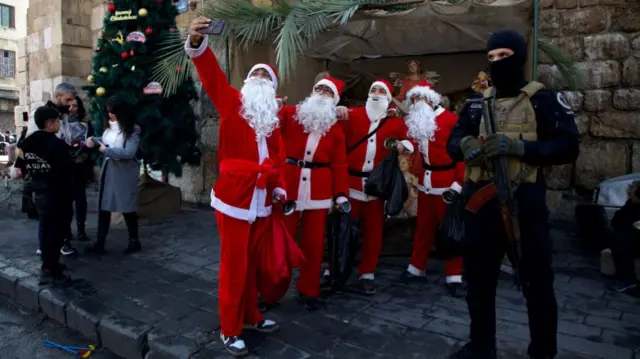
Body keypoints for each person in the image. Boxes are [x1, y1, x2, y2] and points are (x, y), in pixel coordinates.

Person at [446, 29, 580, 359]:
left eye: (503, 56)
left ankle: (543, 350)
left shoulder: (543, 100)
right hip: (480, 204)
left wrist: (519, 147)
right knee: (478, 280)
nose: (496, 63)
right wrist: (466, 147)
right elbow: (452, 141)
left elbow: (567, 147)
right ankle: (481, 346)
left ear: (518, 57)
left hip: (525, 203)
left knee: (537, 281)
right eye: (491, 58)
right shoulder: (477, 103)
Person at [185, 16, 286, 356]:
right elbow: (211, 75)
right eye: (255, 74)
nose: (259, 78)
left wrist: (278, 187)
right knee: (234, 266)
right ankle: (229, 328)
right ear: (246, 82)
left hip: (261, 199)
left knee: (252, 264)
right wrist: (199, 44)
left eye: (265, 76)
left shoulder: (271, 121)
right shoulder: (231, 103)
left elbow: (278, 157)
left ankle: (251, 315)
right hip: (234, 198)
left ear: (272, 88)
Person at [336, 79, 414, 295]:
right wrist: (337, 109)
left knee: (374, 231)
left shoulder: (395, 123)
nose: (376, 93)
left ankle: (367, 272)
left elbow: (410, 141)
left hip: (376, 187)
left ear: (389, 97)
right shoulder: (352, 115)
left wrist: (403, 145)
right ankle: (337, 267)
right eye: (373, 90)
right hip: (350, 183)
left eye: (381, 91)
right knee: (344, 231)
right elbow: (331, 127)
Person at [279, 76, 350, 310]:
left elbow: (339, 164)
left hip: (319, 189)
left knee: (314, 244)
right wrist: (275, 103)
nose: (321, 92)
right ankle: (273, 288)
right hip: (290, 185)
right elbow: (269, 116)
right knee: (282, 240)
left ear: (334, 99)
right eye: (317, 88)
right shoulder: (292, 114)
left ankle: (309, 289)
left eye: (327, 91)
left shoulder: (336, 128)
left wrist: (340, 194)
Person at [400, 81, 465, 297]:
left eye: (420, 98)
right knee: (423, 228)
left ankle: (454, 274)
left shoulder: (451, 120)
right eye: (413, 99)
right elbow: (412, 141)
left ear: (431, 98)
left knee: (450, 231)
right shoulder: (419, 120)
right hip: (425, 183)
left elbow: (462, 154)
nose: (417, 103)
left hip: (446, 184)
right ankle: (417, 267)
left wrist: (459, 183)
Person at [15, 106, 73, 284]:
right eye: (57, 121)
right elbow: (67, 168)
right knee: (57, 232)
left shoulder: (26, 143)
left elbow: (21, 167)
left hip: (38, 192)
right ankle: (49, 268)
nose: (59, 124)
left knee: (47, 228)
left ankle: (50, 264)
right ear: (49, 124)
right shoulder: (56, 144)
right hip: (57, 193)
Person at [28, 83, 79, 257]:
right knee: (49, 214)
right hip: (48, 174)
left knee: (61, 211)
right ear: (58, 96)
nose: (71, 103)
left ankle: (61, 243)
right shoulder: (41, 114)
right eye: (68, 99)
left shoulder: (63, 116)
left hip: (58, 173)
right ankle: (47, 249)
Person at [85, 95, 141, 255]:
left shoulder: (133, 129)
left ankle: (134, 241)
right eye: (108, 112)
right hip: (109, 170)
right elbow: (105, 139)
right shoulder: (109, 127)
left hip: (124, 172)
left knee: (127, 207)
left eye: (113, 112)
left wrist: (106, 150)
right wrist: (94, 141)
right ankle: (100, 242)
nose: (110, 115)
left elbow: (129, 152)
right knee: (104, 207)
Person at [65, 96, 94, 243]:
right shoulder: (61, 123)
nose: (71, 109)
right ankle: (67, 230)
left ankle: (81, 228)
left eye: (74, 106)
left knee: (80, 199)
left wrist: (83, 156)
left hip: (79, 166)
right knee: (66, 200)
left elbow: (91, 141)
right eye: (68, 106)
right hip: (64, 167)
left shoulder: (86, 124)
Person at [608, 180, 640, 295]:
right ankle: (624, 277)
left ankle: (628, 280)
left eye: (632, 188)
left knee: (623, 240)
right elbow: (617, 220)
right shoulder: (631, 205)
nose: (629, 190)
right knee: (619, 238)